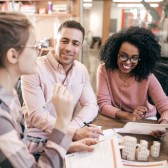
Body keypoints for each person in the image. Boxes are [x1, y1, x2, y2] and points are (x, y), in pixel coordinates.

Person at [0, 12, 98, 167]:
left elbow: (21, 148)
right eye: (35, 46)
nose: (39, 52)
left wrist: (66, 144)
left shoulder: (9, 95)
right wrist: (63, 122)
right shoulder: (1, 114)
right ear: (13, 55)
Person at [21, 20, 102, 154]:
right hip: (35, 142)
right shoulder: (32, 68)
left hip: (67, 138)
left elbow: (92, 105)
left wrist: (71, 129)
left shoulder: (81, 70)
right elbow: (37, 115)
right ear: (56, 41)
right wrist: (72, 132)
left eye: (75, 43)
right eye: (64, 41)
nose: (69, 48)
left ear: (81, 46)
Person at [97, 26, 168, 124]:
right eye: (123, 56)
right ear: (115, 53)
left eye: (134, 58)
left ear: (141, 59)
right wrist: (129, 115)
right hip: (117, 118)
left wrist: (162, 125)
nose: (127, 62)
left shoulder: (147, 76)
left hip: (145, 121)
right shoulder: (104, 70)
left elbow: (166, 107)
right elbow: (103, 105)